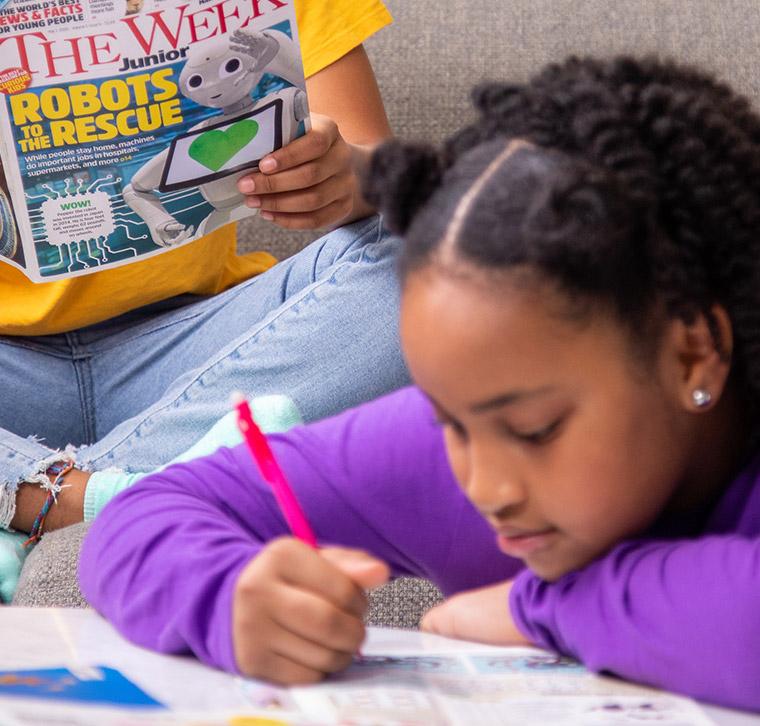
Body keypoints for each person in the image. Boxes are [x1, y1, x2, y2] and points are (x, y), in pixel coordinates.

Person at [79, 56, 760, 711]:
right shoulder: (452, 457)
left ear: (693, 356)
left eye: (535, 430)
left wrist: (540, 608)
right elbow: (142, 520)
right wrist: (225, 597)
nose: (486, 488)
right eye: (451, 422)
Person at [0, 1, 411, 582]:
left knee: (428, 246)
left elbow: (383, 175)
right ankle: (123, 494)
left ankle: (33, 507)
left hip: (203, 354)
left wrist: (346, 174)